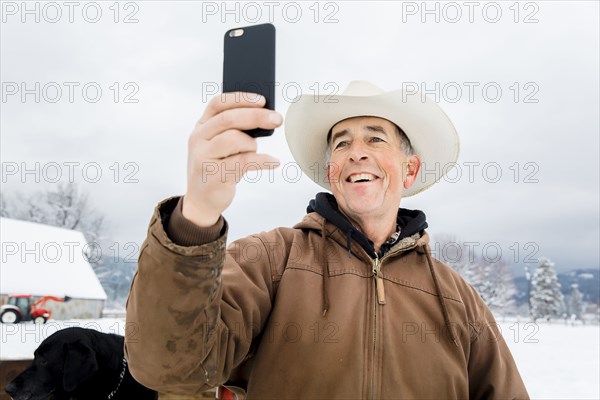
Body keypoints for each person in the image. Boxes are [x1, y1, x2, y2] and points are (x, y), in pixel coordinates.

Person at [125, 81, 529, 399]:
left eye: (375, 139)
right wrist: (198, 212)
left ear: (410, 170)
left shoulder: (458, 299)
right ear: (332, 171)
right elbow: (169, 366)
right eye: (341, 143)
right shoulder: (269, 260)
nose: (356, 152)